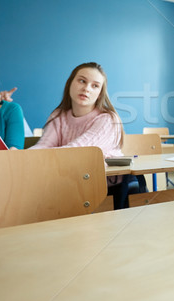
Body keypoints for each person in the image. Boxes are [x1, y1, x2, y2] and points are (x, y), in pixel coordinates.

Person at [29, 62, 130, 208]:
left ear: (100, 93)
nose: (86, 88)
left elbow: (78, 151)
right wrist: (21, 157)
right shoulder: (58, 116)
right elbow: (44, 145)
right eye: (82, 81)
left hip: (108, 189)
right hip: (70, 182)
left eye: (95, 85)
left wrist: (30, 158)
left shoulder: (108, 119)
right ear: (70, 83)